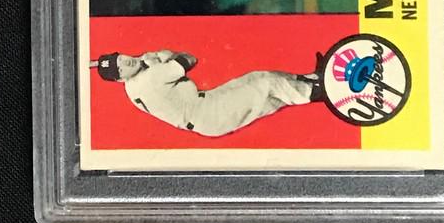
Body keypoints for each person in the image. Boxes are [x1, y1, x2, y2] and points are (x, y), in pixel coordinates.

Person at [90, 48, 324, 137]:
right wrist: (163, 57)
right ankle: (318, 91)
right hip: (210, 113)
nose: (125, 62)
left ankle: (312, 80)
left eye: (119, 58)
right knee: (267, 84)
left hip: (207, 110)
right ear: (119, 79)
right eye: (119, 68)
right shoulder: (149, 78)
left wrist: (151, 61)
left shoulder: (132, 88)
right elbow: (189, 59)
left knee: (258, 79)